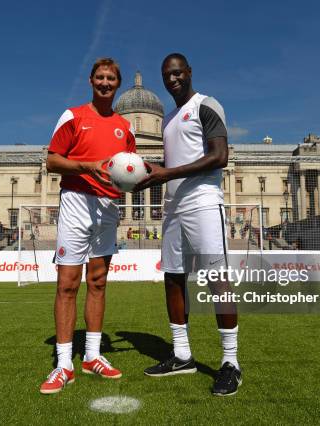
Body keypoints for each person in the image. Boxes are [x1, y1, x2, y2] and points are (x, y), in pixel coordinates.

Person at [137, 53, 240, 396]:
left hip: (203, 201)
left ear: (189, 72)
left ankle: (230, 363)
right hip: (173, 204)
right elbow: (177, 160)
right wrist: (153, 174)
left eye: (178, 73)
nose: (173, 79)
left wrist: (167, 172)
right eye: (167, 75)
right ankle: (182, 354)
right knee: (173, 278)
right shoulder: (167, 120)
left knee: (217, 279)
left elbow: (219, 156)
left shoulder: (206, 106)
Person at [39, 57, 135, 395]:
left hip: (109, 206)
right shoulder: (73, 116)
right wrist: (86, 166)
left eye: (111, 78)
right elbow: (51, 160)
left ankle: (93, 355)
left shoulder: (127, 127)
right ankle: (64, 362)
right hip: (77, 201)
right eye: (100, 77)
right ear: (91, 81)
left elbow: (129, 171)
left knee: (98, 281)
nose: (105, 83)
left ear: (117, 83)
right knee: (67, 283)